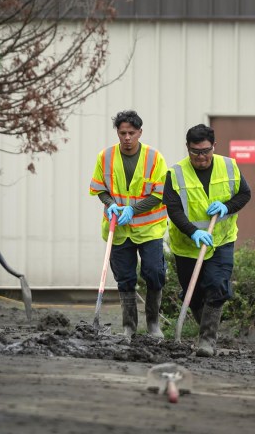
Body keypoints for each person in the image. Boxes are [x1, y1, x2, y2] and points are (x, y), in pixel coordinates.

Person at [164, 124, 251, 357]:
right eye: (195, 152)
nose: (201, 157)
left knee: (217, 285)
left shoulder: (229, 166)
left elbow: (245, 194)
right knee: (192, 293)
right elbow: (173, 209)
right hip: (187, 245)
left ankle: (207, 341)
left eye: (205, 151)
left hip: (221, 239)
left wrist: (226, 207)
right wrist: (192, 231)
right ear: (187, 148)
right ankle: (205, 332)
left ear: (214, 146)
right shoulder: (176, 173)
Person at [89, 110, 169, 338]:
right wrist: (110, 203)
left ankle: (153, 323)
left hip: (149, 228)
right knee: (125, 278)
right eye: (122, 133)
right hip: (118, 228)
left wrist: (134, 209)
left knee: (154, 272)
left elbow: (160, 193)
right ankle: (129, 326)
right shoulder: (105, 157)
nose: (126, 137)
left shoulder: (155, 158)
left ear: (140, 132)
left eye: (131, 133)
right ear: (117, 132)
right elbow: (99, 188)